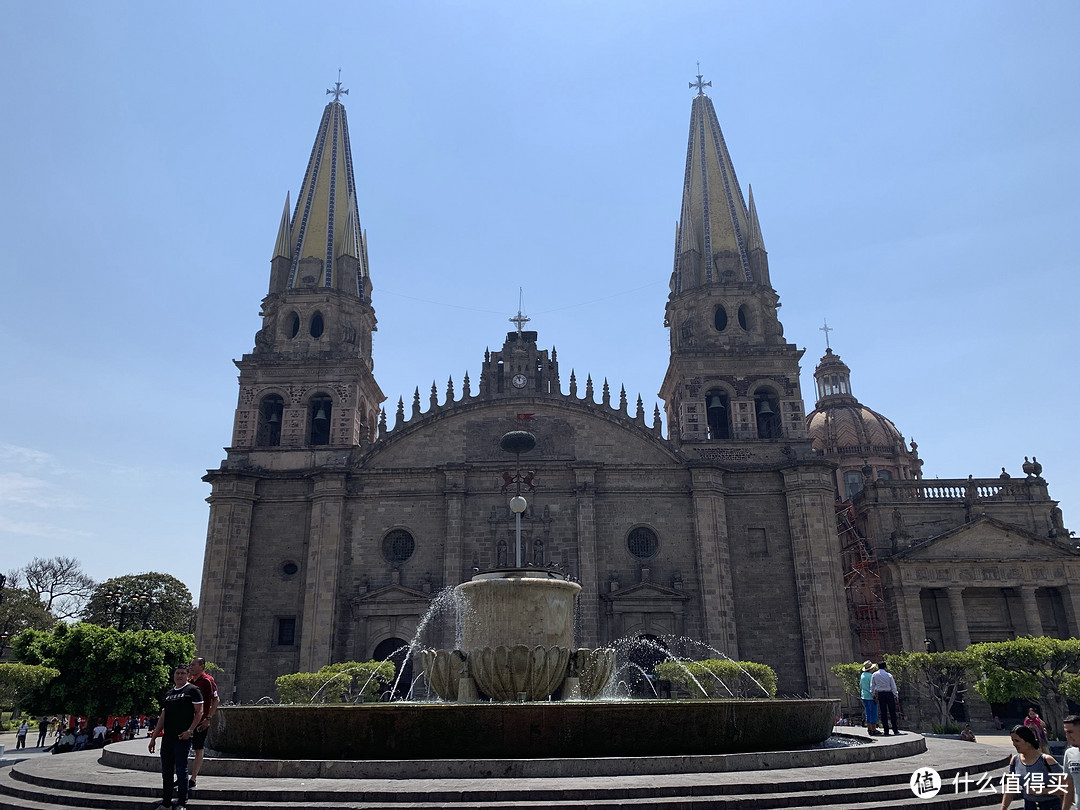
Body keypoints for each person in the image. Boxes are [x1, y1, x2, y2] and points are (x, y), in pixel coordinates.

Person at [148, 664, 203, 810]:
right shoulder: (169, 694)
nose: (179, 676)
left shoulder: (193, 690)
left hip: (182, 738)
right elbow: (163, 717)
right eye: (177, 673)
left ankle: (181, 803)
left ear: (187, 675)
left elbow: (199, 713)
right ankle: (166, 802)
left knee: (181, 770)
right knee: (166, 772)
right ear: (174, 676)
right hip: (168, 738)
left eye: (182, 673)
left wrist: (189, 731)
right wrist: (154, 738)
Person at [1001, 723, 1071, 810]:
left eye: (1017, 741)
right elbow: (1010, 789)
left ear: (1028, 741)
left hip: (1051, 806)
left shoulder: (1046, 760)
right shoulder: (1015, 760)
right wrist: (1003, 807)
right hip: (1029, 806)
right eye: (1013, 741)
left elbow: (1067, 787)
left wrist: (1043, 791)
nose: (1014, 744)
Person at [186, 656, 220, 794]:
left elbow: (216, 700)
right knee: (183, 749)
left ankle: (193, 779)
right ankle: (183, 776)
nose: (191, 667)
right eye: (190, 665)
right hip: (187, 721)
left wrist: (208, 718)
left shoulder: (207, 680)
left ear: (202, 666)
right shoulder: (189, 682)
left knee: (198, 749)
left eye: (194, 665)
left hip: (201, 722)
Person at [870, 660, 901, 735]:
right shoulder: (889, 675)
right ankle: (895, 729)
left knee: (883, 712)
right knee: (892, 712)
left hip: (880, 694)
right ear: (885, 667)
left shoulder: (874, 675)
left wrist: (873, 694)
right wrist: (895, 695)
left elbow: (872, 685)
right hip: (889, 693)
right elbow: (893, 686)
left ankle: (886, 730)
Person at [1062, 715, 1080, 810]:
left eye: (1070, 732)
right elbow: (1069, 787)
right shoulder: (1069, 753)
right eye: (1066, 733)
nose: (1067, 736)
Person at [859, 661, 880, 735]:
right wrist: (876, 696)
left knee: (868, 712)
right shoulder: (871, 676)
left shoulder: (862, 675)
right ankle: (874, 729)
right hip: (871, 696)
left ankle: (869, 728)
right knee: (873, 713)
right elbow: (874, 687)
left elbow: (860, 685)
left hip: (864, 696)